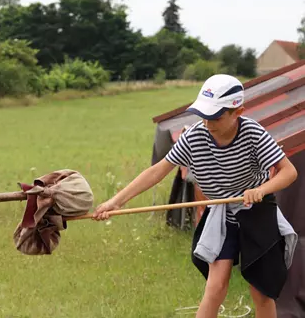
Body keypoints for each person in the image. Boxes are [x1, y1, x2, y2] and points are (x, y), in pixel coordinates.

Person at [93, 74, 298, 318]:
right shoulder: (194, 136)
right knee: (215, 286)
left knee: (261, 291)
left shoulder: (253, 133)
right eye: (204, 115)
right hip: (220, 214)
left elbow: (289, 171)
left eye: (216, 117)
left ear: (238, 111)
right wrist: (115, 201)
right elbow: (157, 171)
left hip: (256, 210)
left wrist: (261, 190)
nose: (208, 123)